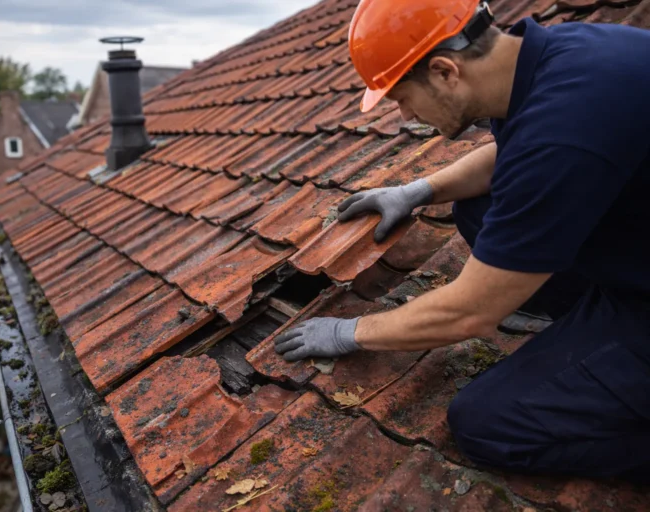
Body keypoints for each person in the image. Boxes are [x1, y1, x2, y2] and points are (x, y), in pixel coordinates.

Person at [273, 0, 650, 480]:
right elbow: (513, 154)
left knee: (486, 423)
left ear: (445, 70)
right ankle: (586, 334)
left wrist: (349, 333)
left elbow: (471, 312)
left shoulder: (565, 130)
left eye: (402, 99)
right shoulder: (561, 58)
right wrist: (417, 191)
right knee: (477, 209)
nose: (406, 116)